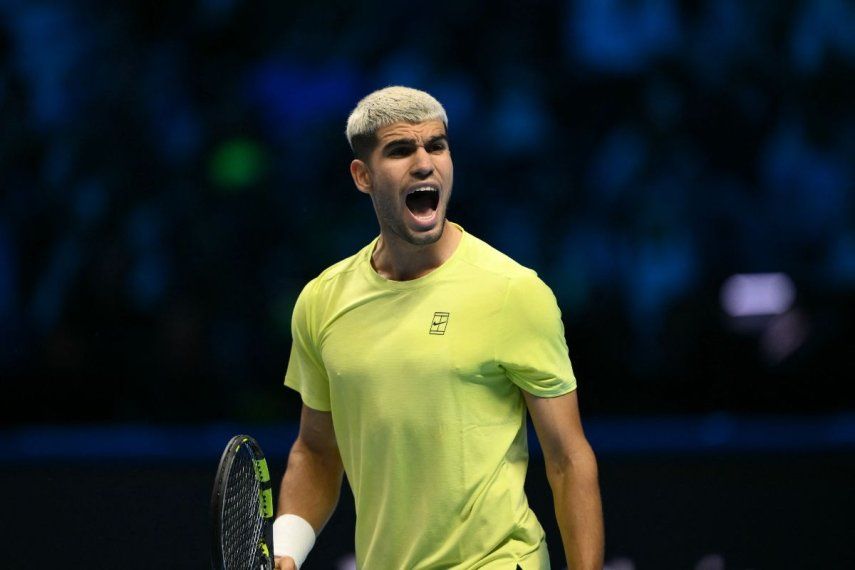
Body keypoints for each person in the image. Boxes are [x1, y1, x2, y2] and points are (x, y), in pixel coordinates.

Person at [273, 86, 603, 569]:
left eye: (437, 146)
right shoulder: (322, 302)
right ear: (363, 176)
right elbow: (318, 451)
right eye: (400, 150)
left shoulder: (513, 291)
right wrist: (287, 549)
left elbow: (568, 459)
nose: (425, 164)